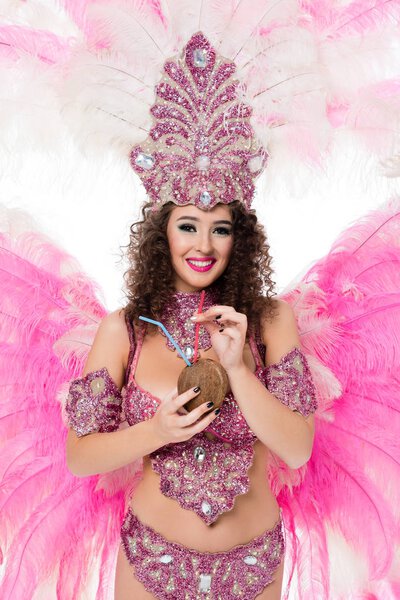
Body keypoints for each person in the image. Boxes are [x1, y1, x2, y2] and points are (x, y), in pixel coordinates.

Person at [66, 189, 318, 600]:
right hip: (151, 562)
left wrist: (237, 368)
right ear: (161, 233)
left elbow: (297, 450)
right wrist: (157, 431)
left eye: (220, 229)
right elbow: (79, 457)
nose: (204, 245)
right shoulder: (125, 329)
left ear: (240, 239)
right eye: (188, 226)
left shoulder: (269, 321)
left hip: (253, 567)